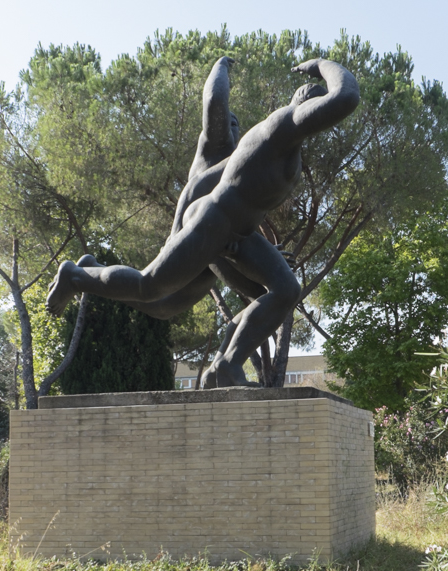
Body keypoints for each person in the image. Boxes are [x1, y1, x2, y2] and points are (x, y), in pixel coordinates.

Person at [46, 57, 359, 387]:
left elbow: (249, 198)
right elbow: (345, 97)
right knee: (148, 286)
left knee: (282, 291)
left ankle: (225, 365)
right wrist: (318, 64)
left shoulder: (283, 148)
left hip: (236, 234)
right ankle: (76, 276)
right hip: (212, 222)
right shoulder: (281, 125)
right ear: (302, 104)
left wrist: (263, 252)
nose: (320, 117)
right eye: (316, 107)